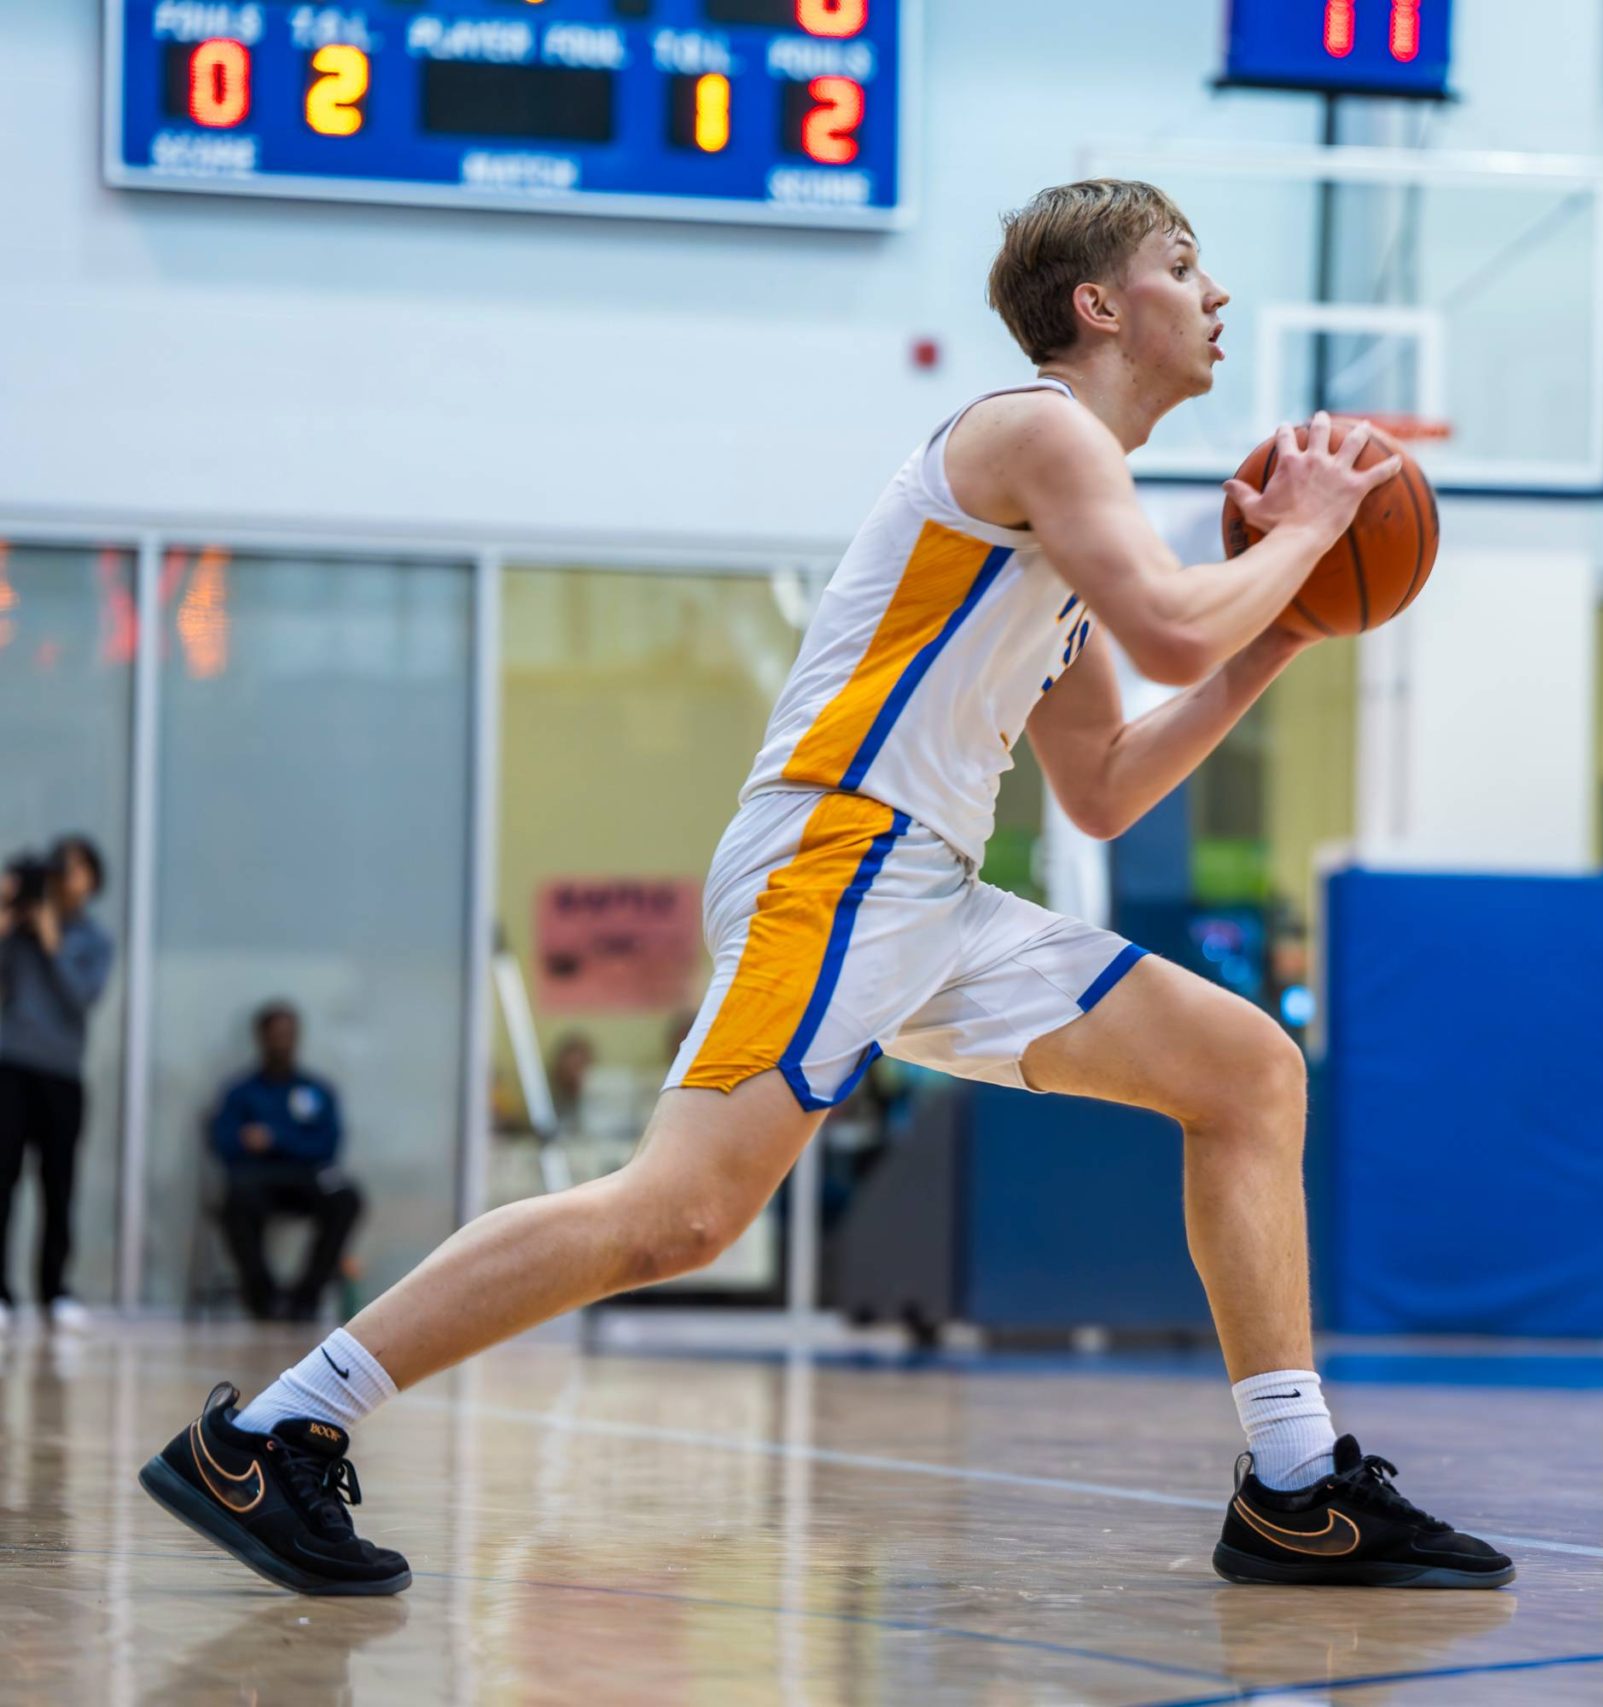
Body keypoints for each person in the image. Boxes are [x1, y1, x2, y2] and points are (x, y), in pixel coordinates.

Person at [137, 179, 1509, 1598]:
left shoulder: (1068, 516)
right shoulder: (1031, 427)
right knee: (680, 1213)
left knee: (1246, 1069)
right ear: (1101, 306)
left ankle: (1293, 1486)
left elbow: (1102, 776)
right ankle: (275, 1428)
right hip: (841, 854)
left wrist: (1284, 623)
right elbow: (1169, 622)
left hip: (929, 890)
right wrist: (1309, 529)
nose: (1214, 293)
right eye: (1184, 262)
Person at [0, 835, 114, 1334]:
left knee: (58, 1184)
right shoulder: (16, 931)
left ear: (91, 879)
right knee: (2, 1180)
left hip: (62, 1076)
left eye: (74, 869)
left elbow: (81, 997)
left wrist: (54, 942)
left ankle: (55, 1290)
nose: (64, 878)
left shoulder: (93, 940)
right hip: (9, 1067)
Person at [208, 1002, 365, 1323]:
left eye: (288, 1034)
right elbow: (225, 1144)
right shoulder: (240, 1092)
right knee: (235, 1200)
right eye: (275, 1034)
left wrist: (273, 1138)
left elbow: (328, 1144)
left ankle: (305, 1298)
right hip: (257, 1179)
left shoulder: (316, 1089)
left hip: (306, 1178)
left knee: (346, 1197)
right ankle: (263, 1298)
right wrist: (254, 1143)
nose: (282, 1041)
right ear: (261, 1037)